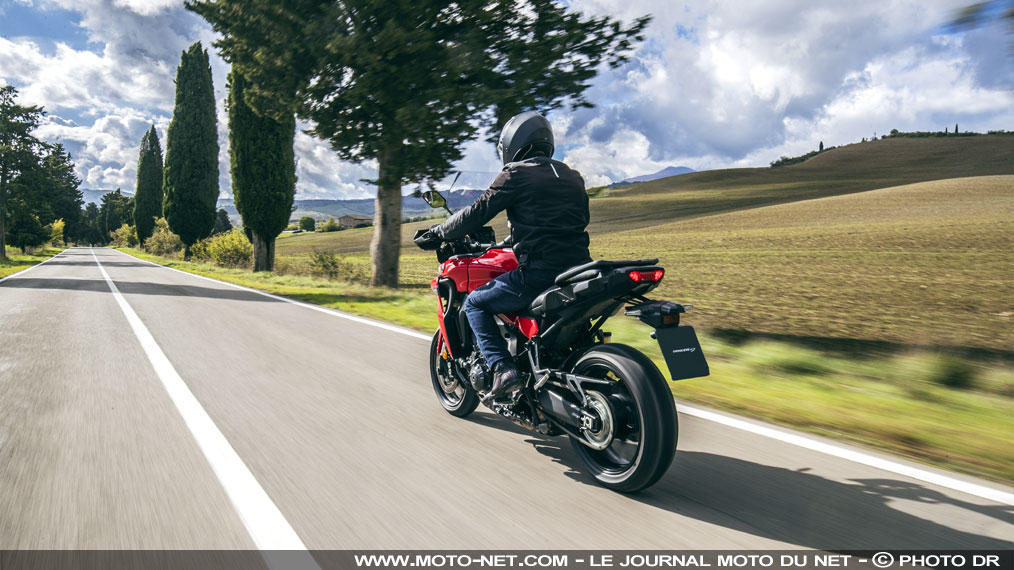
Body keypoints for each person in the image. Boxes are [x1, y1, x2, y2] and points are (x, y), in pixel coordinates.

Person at [431, 111, 591, 401]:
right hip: (582, 272)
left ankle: (503, 369)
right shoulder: (572, 176)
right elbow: (568, 223)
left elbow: (475, 214)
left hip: (539, 274)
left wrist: (440, 231)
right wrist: (513, 241)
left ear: (512, 144)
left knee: (476, 304)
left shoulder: (515, 174)